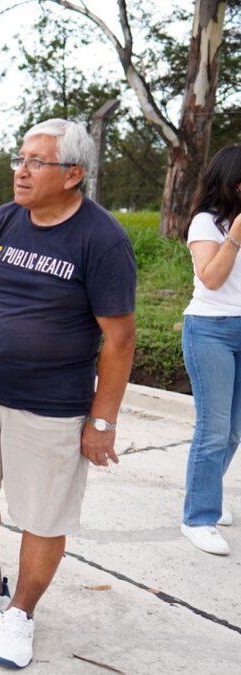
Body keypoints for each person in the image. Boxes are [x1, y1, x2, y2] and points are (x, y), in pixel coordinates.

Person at [0, 119, 136, 669]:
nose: (21, 170)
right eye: (20, 159)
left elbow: (119, 338)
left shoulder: (102, 239)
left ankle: (21, 611)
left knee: (44, 518)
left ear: (73, 175)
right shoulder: (1, 223)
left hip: (51, 408)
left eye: (36, 162)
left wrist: (102, 421)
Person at [179, 144, 241, 556]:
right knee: (214, 428)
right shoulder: (206, 223)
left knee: (234, 430)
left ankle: (207, 494)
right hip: (211, 331)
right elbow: (212, 278)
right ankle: (197, 517)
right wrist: (235, 235)